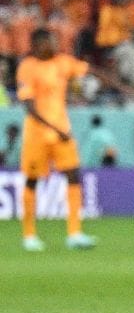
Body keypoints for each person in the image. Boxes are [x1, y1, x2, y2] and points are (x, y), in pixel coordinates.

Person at [14, 28, 96, 251]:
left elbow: (89, 70)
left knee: (73, 175)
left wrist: (121, 85)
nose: (53, 45)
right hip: (37, 135)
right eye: (49, 42)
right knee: (32, 180)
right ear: (37, 45)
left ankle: (74, 233)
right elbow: (29, 108)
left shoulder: (63, 62)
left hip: (62, 132)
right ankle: (29, 235)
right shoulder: (27, 68)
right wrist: (56, 129)